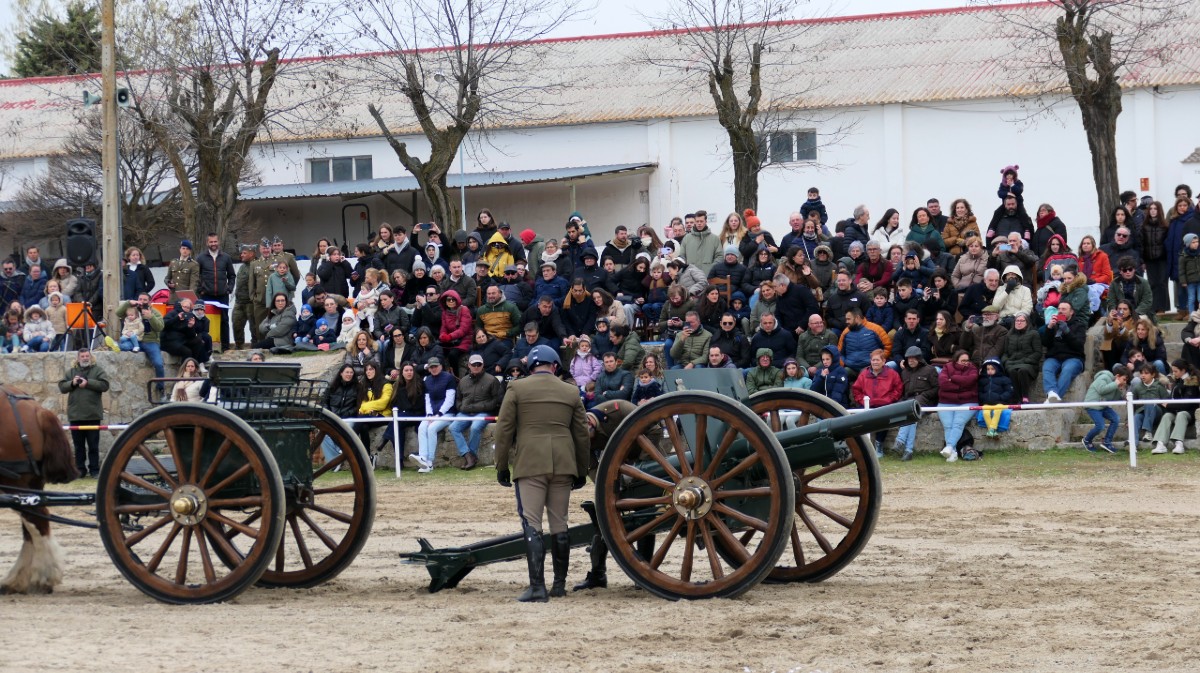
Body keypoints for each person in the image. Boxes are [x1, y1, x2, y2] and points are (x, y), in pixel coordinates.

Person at [493, 345, 590, 602]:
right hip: (563, 462)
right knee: (560, 524)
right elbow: (581, 435)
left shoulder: (517, 388)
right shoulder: (570, 391)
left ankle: (537, 586)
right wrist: (581, 469)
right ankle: (559, 585)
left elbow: (503, 431)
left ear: (531, 367)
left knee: (532, 523)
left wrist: (501, 465)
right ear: (555, 366)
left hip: (530, 462)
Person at [57, 346, 109, 478]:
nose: (85, 358)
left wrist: (88, 383)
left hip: (93, 414)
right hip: (75, 415)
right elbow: (62, 387)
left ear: (90, 357)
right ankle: (80, 470)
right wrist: (73, 383)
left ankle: (94, 470)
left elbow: (104, 385)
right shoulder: (71, 372)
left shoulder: (98, 370)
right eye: (82, 356)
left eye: (87, 356)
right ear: (78, 358)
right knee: (79, 447)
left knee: (93, 446)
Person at [450, 354, 501, 470]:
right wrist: (460, 407)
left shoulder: (492, 380)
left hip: (484, 412)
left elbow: (496, 400)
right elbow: (458, 398)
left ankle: (471, 456)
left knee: (475, 427)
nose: (476, 366)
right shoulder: (463, 381)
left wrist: (481, 407)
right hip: (465, 411)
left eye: (479, 364)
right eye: (474, 364)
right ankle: (468, 455)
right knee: (453, 427)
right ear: (469, 365)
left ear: (483, 365)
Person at [850, 349, 903, 455]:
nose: (875, 362)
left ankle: (879, 446)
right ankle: (862, 448)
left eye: (877, 360)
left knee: (885, 419)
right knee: (857, 422)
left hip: (884, 405)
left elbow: (898, 389)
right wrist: (863, 401)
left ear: (883, 361)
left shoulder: (892, 374)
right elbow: (856, 390)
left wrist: (889, 399)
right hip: (866, 405)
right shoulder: (864, 374)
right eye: (873, 360)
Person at [414, 357, 456, 472]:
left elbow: (450, 400)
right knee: (422, 427)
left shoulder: (449, 378)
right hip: (433, 414)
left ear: (441, 366)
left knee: (431, 428)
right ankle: (423, 458)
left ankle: (429, 462)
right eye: (431, 367)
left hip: (448, 413)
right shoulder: (427, 380)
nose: (434, 369)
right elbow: (427, 399)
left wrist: (439, 414)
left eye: (435, 366)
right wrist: (429, 414)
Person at [895, 346, 938, 460]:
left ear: (919, 358)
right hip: (909, 402)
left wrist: (923, 396)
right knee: (911, 418)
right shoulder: (904, 372)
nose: (911, 361)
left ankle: (900, 440)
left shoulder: (930, 370)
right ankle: (908, 451)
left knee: (911, 413)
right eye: (909, 359)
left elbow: (936, 389)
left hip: (925, 402)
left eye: (914, 358)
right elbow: (904, 392)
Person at [196, 233, 237, 351]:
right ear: (207, 243)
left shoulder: (226, 257)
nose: (213, 244)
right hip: (206, 295)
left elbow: (232, 275)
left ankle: (225, 347)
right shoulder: (200, 258)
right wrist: (200, 290)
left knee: (224, 320)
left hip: (222, 295)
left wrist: (229, 288)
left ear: (218, 242)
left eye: (215, 241)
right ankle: (206, 347)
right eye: (211, 242)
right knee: (205, 320)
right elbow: (196, 276)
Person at [936, 350, 978, 463]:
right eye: (963, 360)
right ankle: (952, 453)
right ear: (956, 360)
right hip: (946, 401)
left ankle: (949, 447)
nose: (966, 363)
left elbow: (970, 381)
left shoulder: (973, 368)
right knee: (948, 426)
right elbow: (943, 383)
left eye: (967, 360)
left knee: (958, 423)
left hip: (968, 401)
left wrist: (953, 379)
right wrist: (961, 386)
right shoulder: (947, 367)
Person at [1151, 360, 1200, 455]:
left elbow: (1187, 403)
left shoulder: (1192, 382)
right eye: (1172, 371)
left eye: (1176, 371)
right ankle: (1160, 443)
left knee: (1181, 415)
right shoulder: (1178, 381)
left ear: (1183, 370)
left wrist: (1168, 405)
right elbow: (1173, 397)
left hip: (1189, 412)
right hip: (1175, 411)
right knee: (1167, 416)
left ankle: (1179, 443)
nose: (1173, 373)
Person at [1041, 301, 1086, 402]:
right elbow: (1045, 343)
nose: (1060, 311)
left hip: (1073, 357)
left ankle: (1053, 399)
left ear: (1071, 312)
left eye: (1064, 309)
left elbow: (1078, 345)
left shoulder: (1079, 325)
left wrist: (1067, 331)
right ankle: (1052, 393)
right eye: (1059, 309)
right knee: (1047, 368)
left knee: (1067, 370)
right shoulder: (1053, 324)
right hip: (1054, 357)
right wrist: (1049, 328)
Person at [1082, 365, 1129, 453]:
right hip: (1092, 405)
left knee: (1116, 419)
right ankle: (1087, 440)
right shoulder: (1104, 377)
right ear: (1117, 376)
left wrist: (1119, 389)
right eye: (1124, 379)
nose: (1125, 382)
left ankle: (1107, 442)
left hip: (1103, 406)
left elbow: (1113, 400)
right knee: (1100, 426)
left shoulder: (1115, 384)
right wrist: (1116, 384)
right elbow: (1102, 390)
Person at [1002, 313, 1042, 403]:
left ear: (1027, 322)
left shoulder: (1033, 334)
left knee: (1022, 370)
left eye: (1022, 321)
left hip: (1028, 363)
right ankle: (1017, 399)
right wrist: (1006, 361)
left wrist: (1026, 360)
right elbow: (1005, 353)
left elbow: (1038, 353)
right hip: (1012, 363)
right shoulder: (1009, 335)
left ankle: (1025, 397)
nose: (1019, 323)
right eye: (1017, 320)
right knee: (1012, 371)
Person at [1130, 363, 1167, 449]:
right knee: (1136, 417)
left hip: (1157, 414)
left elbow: (1167, 402)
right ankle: (1133, 443)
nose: (1143, 376)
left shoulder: (1159, 386)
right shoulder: (1137, 388)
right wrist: (1128, 419)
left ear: (1153, 374)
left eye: (1146, 373)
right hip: (1143, 413)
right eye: (1141, 373)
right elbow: (1132, 404)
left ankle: (1148, 432)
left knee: (1150, 403)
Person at [166, 240, 200, 304]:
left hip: (185, 297)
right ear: (180, 249)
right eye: (183, 248)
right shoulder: (173, 262)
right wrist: (169, 283)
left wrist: (189, 298)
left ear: (190, 251)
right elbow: (167, 278)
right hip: (173, 297)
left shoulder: (193, 264)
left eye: (187, 249)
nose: (185, 250)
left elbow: (194, 283)